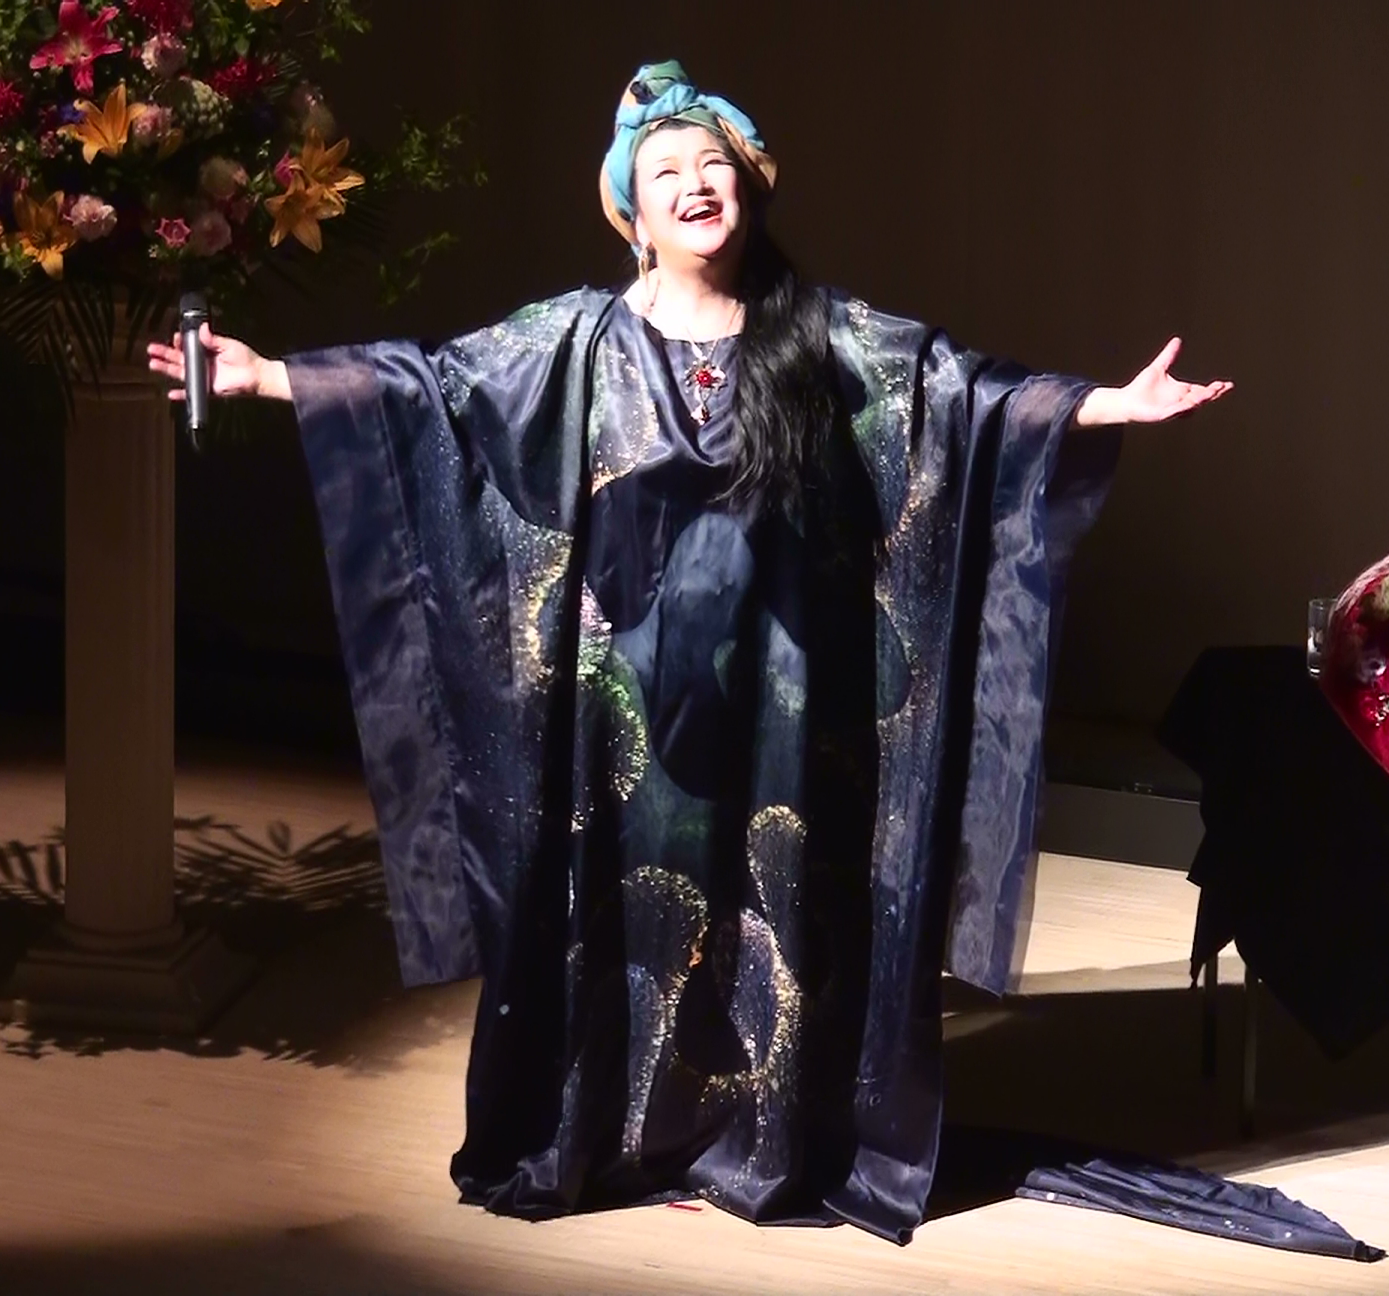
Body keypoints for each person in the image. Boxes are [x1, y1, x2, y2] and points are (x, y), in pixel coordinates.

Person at [150, 61, 1233, 1244]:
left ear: (749, 191)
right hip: (620, 706)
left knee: (773, 910)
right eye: (665, 170)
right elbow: (434, 388)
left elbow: (958, 397)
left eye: (713, 164)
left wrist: (1100, 408)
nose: (694, 184)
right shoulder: (576, 340)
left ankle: (769, 1139)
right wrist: (270, 377)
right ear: (633, 211)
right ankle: (623, 1134)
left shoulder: (821, 337)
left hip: (782, 695)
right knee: (632, 918)